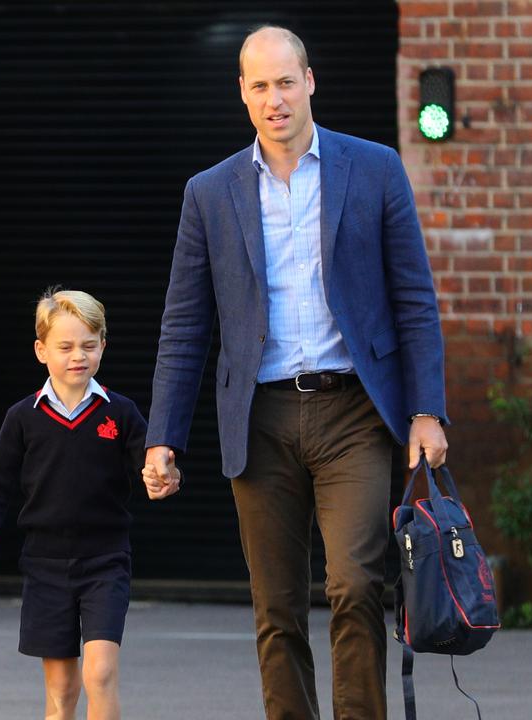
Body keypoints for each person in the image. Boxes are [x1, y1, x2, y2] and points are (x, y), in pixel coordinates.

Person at [142, 25, 449, 720]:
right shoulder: (209, 193)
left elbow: (414, 297)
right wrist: (163, 436)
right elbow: (185, 325)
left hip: (354, 414)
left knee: (356, 584)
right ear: (243, 96)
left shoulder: (373, 169)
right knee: (276, 606)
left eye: (286, 81)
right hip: (261, 418)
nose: (275, 98)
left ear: (310, 81)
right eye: (260, 86)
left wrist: (426, 410)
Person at [0, 289, 158, 720]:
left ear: (103, 345)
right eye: (65, 347)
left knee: (100, 672)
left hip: (106, 561)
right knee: (62, 691)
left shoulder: (120, 413)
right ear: (41, 350)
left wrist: (161, 475)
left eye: (89, 345)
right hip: (45, 565)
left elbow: (151, 466)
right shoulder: (23, 418)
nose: (78, 356)